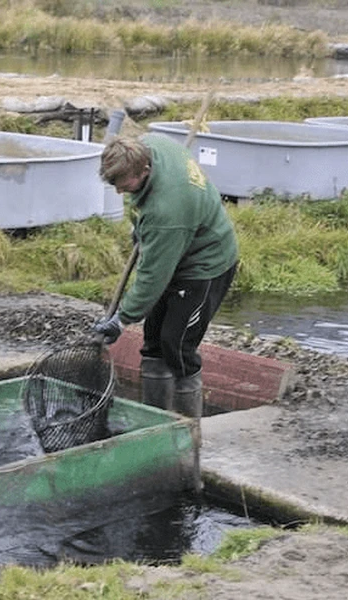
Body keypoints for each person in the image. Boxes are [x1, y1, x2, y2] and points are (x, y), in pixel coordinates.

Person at [93, 134, 239, 419]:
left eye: (124, 185)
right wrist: (140, 226)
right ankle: (153, 420)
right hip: (178, 241)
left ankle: (187, 428)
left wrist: (121, 319)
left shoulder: (167, 212)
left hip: (205, 265)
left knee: (178, 344)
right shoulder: (152, 143)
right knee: (155, 340)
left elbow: (152, 278)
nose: (120, 192)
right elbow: (142, 205)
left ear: (144, 170)